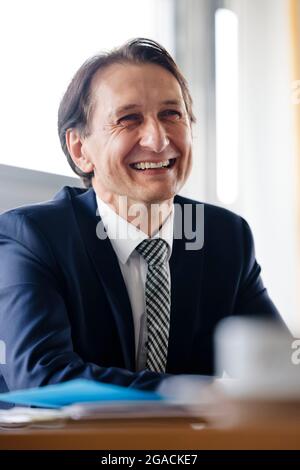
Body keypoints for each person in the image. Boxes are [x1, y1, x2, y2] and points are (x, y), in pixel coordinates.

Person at [0, 38, 281, 393]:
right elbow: (42, 377)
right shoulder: (32, 238)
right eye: (129, 118)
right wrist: (191, 394)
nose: (158, 138)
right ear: (80, 149)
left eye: (171, 114)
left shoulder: (226, 237)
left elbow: (280, 367)